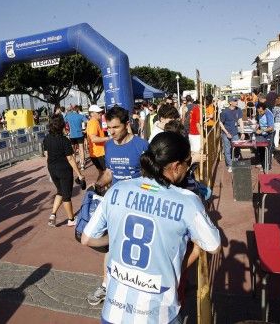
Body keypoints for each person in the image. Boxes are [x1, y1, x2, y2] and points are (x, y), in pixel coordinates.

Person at [82, 131, 221, 324]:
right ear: (175, 166)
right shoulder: (188, 201)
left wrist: (114, 237)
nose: (188, 167)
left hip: (113, 311)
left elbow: (87, 238)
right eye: (188, 162)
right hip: (158, 314)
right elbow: (213, 245)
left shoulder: (117, 189)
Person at [87, 106, 149, 306]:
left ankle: (136, 287)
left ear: (127, 124)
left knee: (134, 249)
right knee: (110, 246)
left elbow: (151, 178)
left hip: (138, 208)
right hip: (115, 205)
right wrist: (97, 185)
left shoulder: (142, 146)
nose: (111, 132)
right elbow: (109, 172)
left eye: (115, 127)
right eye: (108, 128)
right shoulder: (109, 146)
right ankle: (106, 285)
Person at [43, 114, 85, 227]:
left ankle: (53, 215)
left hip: (52, 169)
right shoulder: (65, 140)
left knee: (60, 191)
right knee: (66, 196)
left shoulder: (46, 139)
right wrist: (79, 174)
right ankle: (71, 219)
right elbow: (70, 159)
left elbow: (46, 155)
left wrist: (50, 172)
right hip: (64, 171)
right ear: (62, 125)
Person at [220, 96, 245, 172]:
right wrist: (226, 133)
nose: (236, 102)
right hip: (226, 133)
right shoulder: (224, 112)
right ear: (230, 102)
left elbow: (240, 121)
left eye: (236, 100)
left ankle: (235, 162)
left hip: (235, 133)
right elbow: (221, 123)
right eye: (234, 101)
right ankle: (230, 165)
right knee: (227, 149)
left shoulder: (239, 110)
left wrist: (242, 132)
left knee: (237, 148)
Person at [86, 105, 109, 179]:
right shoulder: (94, 122)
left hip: (95, 154)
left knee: (102, 173)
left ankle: (98, 188)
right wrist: (108, 138)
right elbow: (93, 139)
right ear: (92, 114)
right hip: (99, 153)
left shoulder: (92, 122)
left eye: (100, 112)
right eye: (98, 112)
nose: (100, 113)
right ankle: (102, 188)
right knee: (106, 174)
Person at [64, 106, 87, 170]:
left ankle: (74, 164)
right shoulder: (80, 116)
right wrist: (86, 130)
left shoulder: (68, 116)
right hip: (80, 134)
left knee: (73, 150)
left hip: (72, 135)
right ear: (78, 110)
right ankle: (82, 164)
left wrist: (65, 131)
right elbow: (88, 121)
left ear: (72, 110)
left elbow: (63, 122)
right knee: (81, 149)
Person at [255, 104, 274, 170]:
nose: (259, 113)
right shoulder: (259, 113)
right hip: (262, 134)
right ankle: (262, 163)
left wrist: (262, 130)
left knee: (268, 150)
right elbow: (258, 121)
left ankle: (267, 166)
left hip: (269, 134)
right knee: (261, 149)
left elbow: (271, 127)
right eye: (258, 112)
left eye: (261, 112)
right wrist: (257, 125)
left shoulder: (269, 115)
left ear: (265, 109)